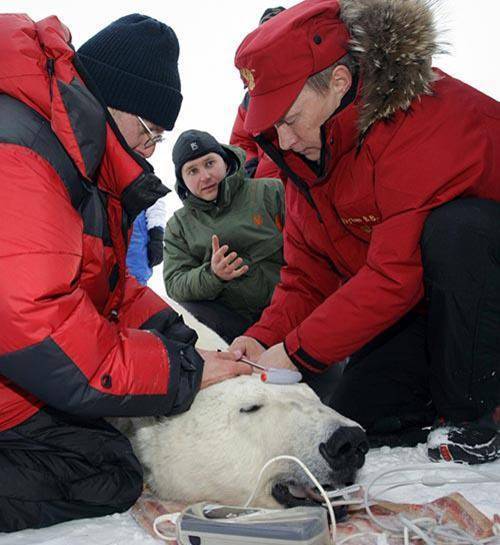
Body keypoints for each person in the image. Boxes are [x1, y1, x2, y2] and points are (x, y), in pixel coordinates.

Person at [0, 13, 250, 533]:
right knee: (108, 472)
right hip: (17, 366)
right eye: (148, 131)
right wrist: (185, 372)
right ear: (110, 99)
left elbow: (107, 284)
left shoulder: (73, 160)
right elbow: (36, 325)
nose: (148, 149)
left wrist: (179, 335)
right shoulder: (23, 157)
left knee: (104, 450)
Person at [231, 0, 500, 464]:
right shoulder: (308, 155)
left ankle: (474, 418)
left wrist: (294, 353)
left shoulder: (423, 121)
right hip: (427, 305)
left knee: (457, 232)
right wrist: (262, 338)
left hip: (480, 294)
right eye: (273, 126)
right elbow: (307, 277)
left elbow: (394, 277)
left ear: (338, 82)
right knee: (360, 417)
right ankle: (434, 399)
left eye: (290, 119)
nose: (285, 140)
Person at [163, 129, 285, 343]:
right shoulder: (178, 226)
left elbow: (309, 243)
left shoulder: (270, 192)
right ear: (182, 181)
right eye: (192, 171)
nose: (205, 176)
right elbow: (174, 283)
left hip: (289, 310)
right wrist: (213, 274)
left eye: (210, 163)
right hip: (233, 324)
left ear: (226, 162)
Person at [229, 6, 285, 180]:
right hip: (267, 190)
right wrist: (250, 171)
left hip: (308, 181)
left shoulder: (311, 79)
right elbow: (241, 142)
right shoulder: (251, 98)